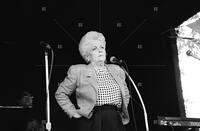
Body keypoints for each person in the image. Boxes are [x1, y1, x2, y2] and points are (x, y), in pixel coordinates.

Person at [55, 31, 130, 131]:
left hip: (114, 120)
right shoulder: (78, 71)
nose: (100, 51)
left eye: (102, 47)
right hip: (91, 121)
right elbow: (61, 93)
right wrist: (73, 113)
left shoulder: (117, 70)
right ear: (87, 55)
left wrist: (119, 112)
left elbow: (126, 93)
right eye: (94, 49)